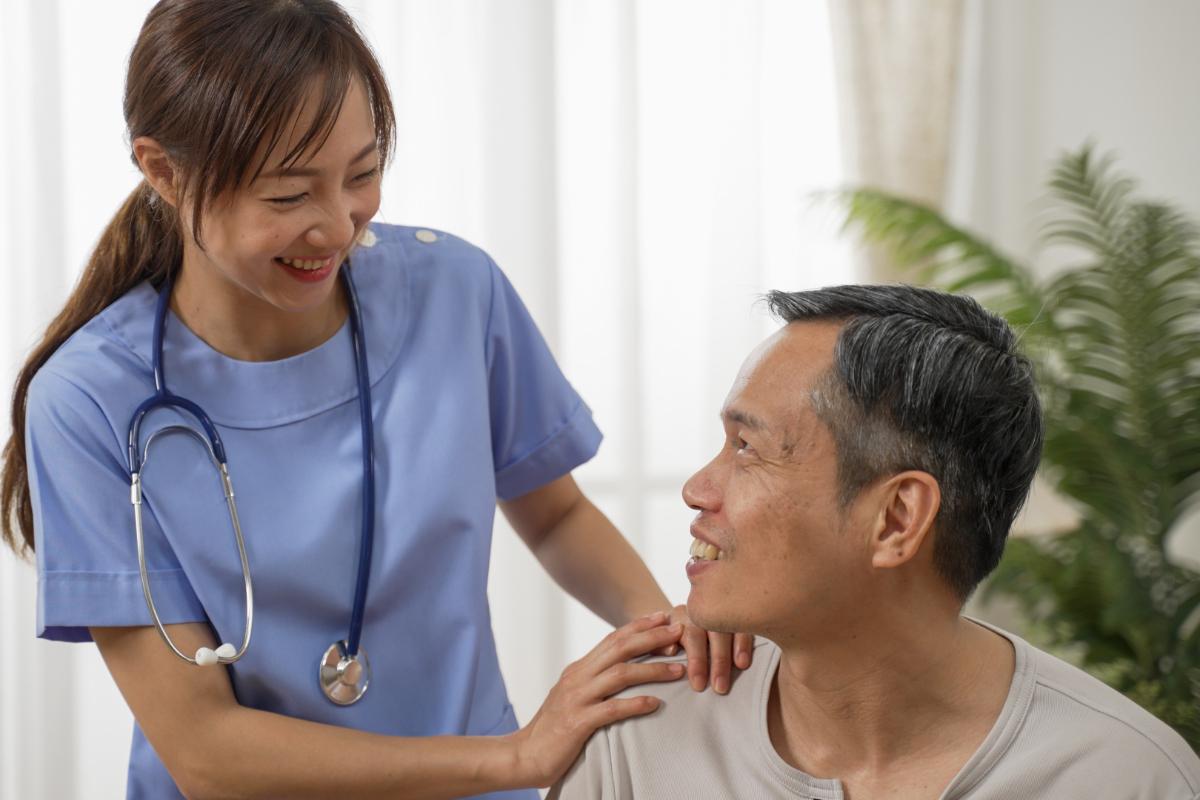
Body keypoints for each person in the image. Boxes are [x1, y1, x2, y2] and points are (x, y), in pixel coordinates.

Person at [0, 1, 753, 797]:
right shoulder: (88, 401)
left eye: (362, 173)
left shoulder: (455, 292)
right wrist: (517, 757)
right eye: (289, 196)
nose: (337, 224)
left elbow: (556, 515)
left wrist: (672, 637)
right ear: (164, 171)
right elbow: (204, 750)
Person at [551, 285, 1200, 800]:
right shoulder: (637, 732)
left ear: (896, 518)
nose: (697, 488)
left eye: (746, 449)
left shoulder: (1129, 780)